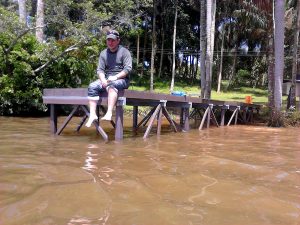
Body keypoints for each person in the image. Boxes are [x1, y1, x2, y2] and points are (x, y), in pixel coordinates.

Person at [85, 30, 132, 127]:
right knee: (92, 86)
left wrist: (115, 77)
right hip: (107, 78)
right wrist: (102, 80)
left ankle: (109, 113)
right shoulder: (103, 53)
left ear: (118, 40)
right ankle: (93, 115)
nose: (110, 42)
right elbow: (100, 70)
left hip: (122, 79)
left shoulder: (125, 52)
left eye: (113, 40)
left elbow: (128, 69)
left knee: (112, 85)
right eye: (108, 40)